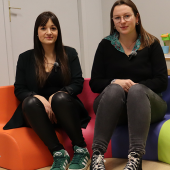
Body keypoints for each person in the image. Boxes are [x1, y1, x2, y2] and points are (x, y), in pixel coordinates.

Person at [3, 11, 91, 170]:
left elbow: (78, 83)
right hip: (38, 112)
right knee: (29, 102)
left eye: (53, 28)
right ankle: (59, 153)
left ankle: (81, 149)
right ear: (37, 32)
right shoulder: (25, 58)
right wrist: (40, 99)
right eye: (43, 28)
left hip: (65, 106)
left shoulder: (69, 53)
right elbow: (20, 89)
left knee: (59, 99)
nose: (49, 32)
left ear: (58, 32)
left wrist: (58, 95)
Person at [89, 0, 168, 170]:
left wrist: (135, 87)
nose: (122, 21)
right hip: (113, 107)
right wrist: (115, 82)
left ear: (137, 18)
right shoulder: (105, 45)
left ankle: (135, 158)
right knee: (114, 88)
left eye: (127, 16)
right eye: (117, 18)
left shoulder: (152, 43)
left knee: (137, 90)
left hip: (148, 106)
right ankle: (97, 157)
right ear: (113, 21)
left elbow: (162, 81)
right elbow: (94, 83)